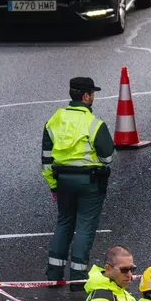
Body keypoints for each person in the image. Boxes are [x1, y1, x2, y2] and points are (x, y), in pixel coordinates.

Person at [41, 76, 116, 284]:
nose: (93, 97)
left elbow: (46, 159)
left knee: (64, 223)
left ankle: (54, 274)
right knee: (84, 227)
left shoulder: (54, 120)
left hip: (62, 181)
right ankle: (78, 277)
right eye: (92, 94)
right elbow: (108, 157)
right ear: (85, 96)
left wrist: (53, 185)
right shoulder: (94, 123)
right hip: (90, 183)